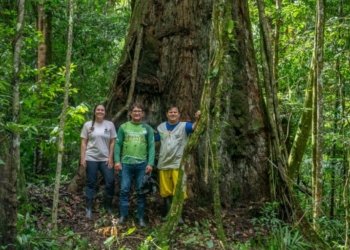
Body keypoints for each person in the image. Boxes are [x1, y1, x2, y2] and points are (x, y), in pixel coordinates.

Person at [156, 106, 200, 222]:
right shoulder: (161, 127)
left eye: (175, 112)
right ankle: (168, 214)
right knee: (166, 192)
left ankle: (178, 215)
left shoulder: (184, 126)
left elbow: (196, 127)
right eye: (170, 112)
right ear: (167, 114)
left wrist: (198, 118)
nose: (173, 114)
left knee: (179, 190)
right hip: (163, 163)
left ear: (179, 114)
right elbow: (153, 139)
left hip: (178, 164)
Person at [114, 103, 155, 227]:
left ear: (142, 113)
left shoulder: (147, 128)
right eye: (134, 111)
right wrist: (116, 161)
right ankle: (123, 216)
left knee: (141, 191)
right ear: (130, 113)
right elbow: (118, 145)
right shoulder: (123, 127)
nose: (137, 113)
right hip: (125, 164)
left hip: (142, 165)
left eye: (139, 111)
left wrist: (150, 163)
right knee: (124, 190)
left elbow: (151, 146)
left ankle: (140, 218)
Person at [80, 104, 116, 219]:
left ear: (105, 112)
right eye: (98, 109)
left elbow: (112, 142)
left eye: (102, 110)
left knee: (110, 181)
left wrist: (110, 157)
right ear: (94, 111)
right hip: (91, 158)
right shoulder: (88, 125)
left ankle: (108, 206)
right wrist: (83, 158)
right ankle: (89, 208)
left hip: (105, 159)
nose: (100, 111)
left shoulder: (110, 125)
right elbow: (84, 142)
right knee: (91, 183)